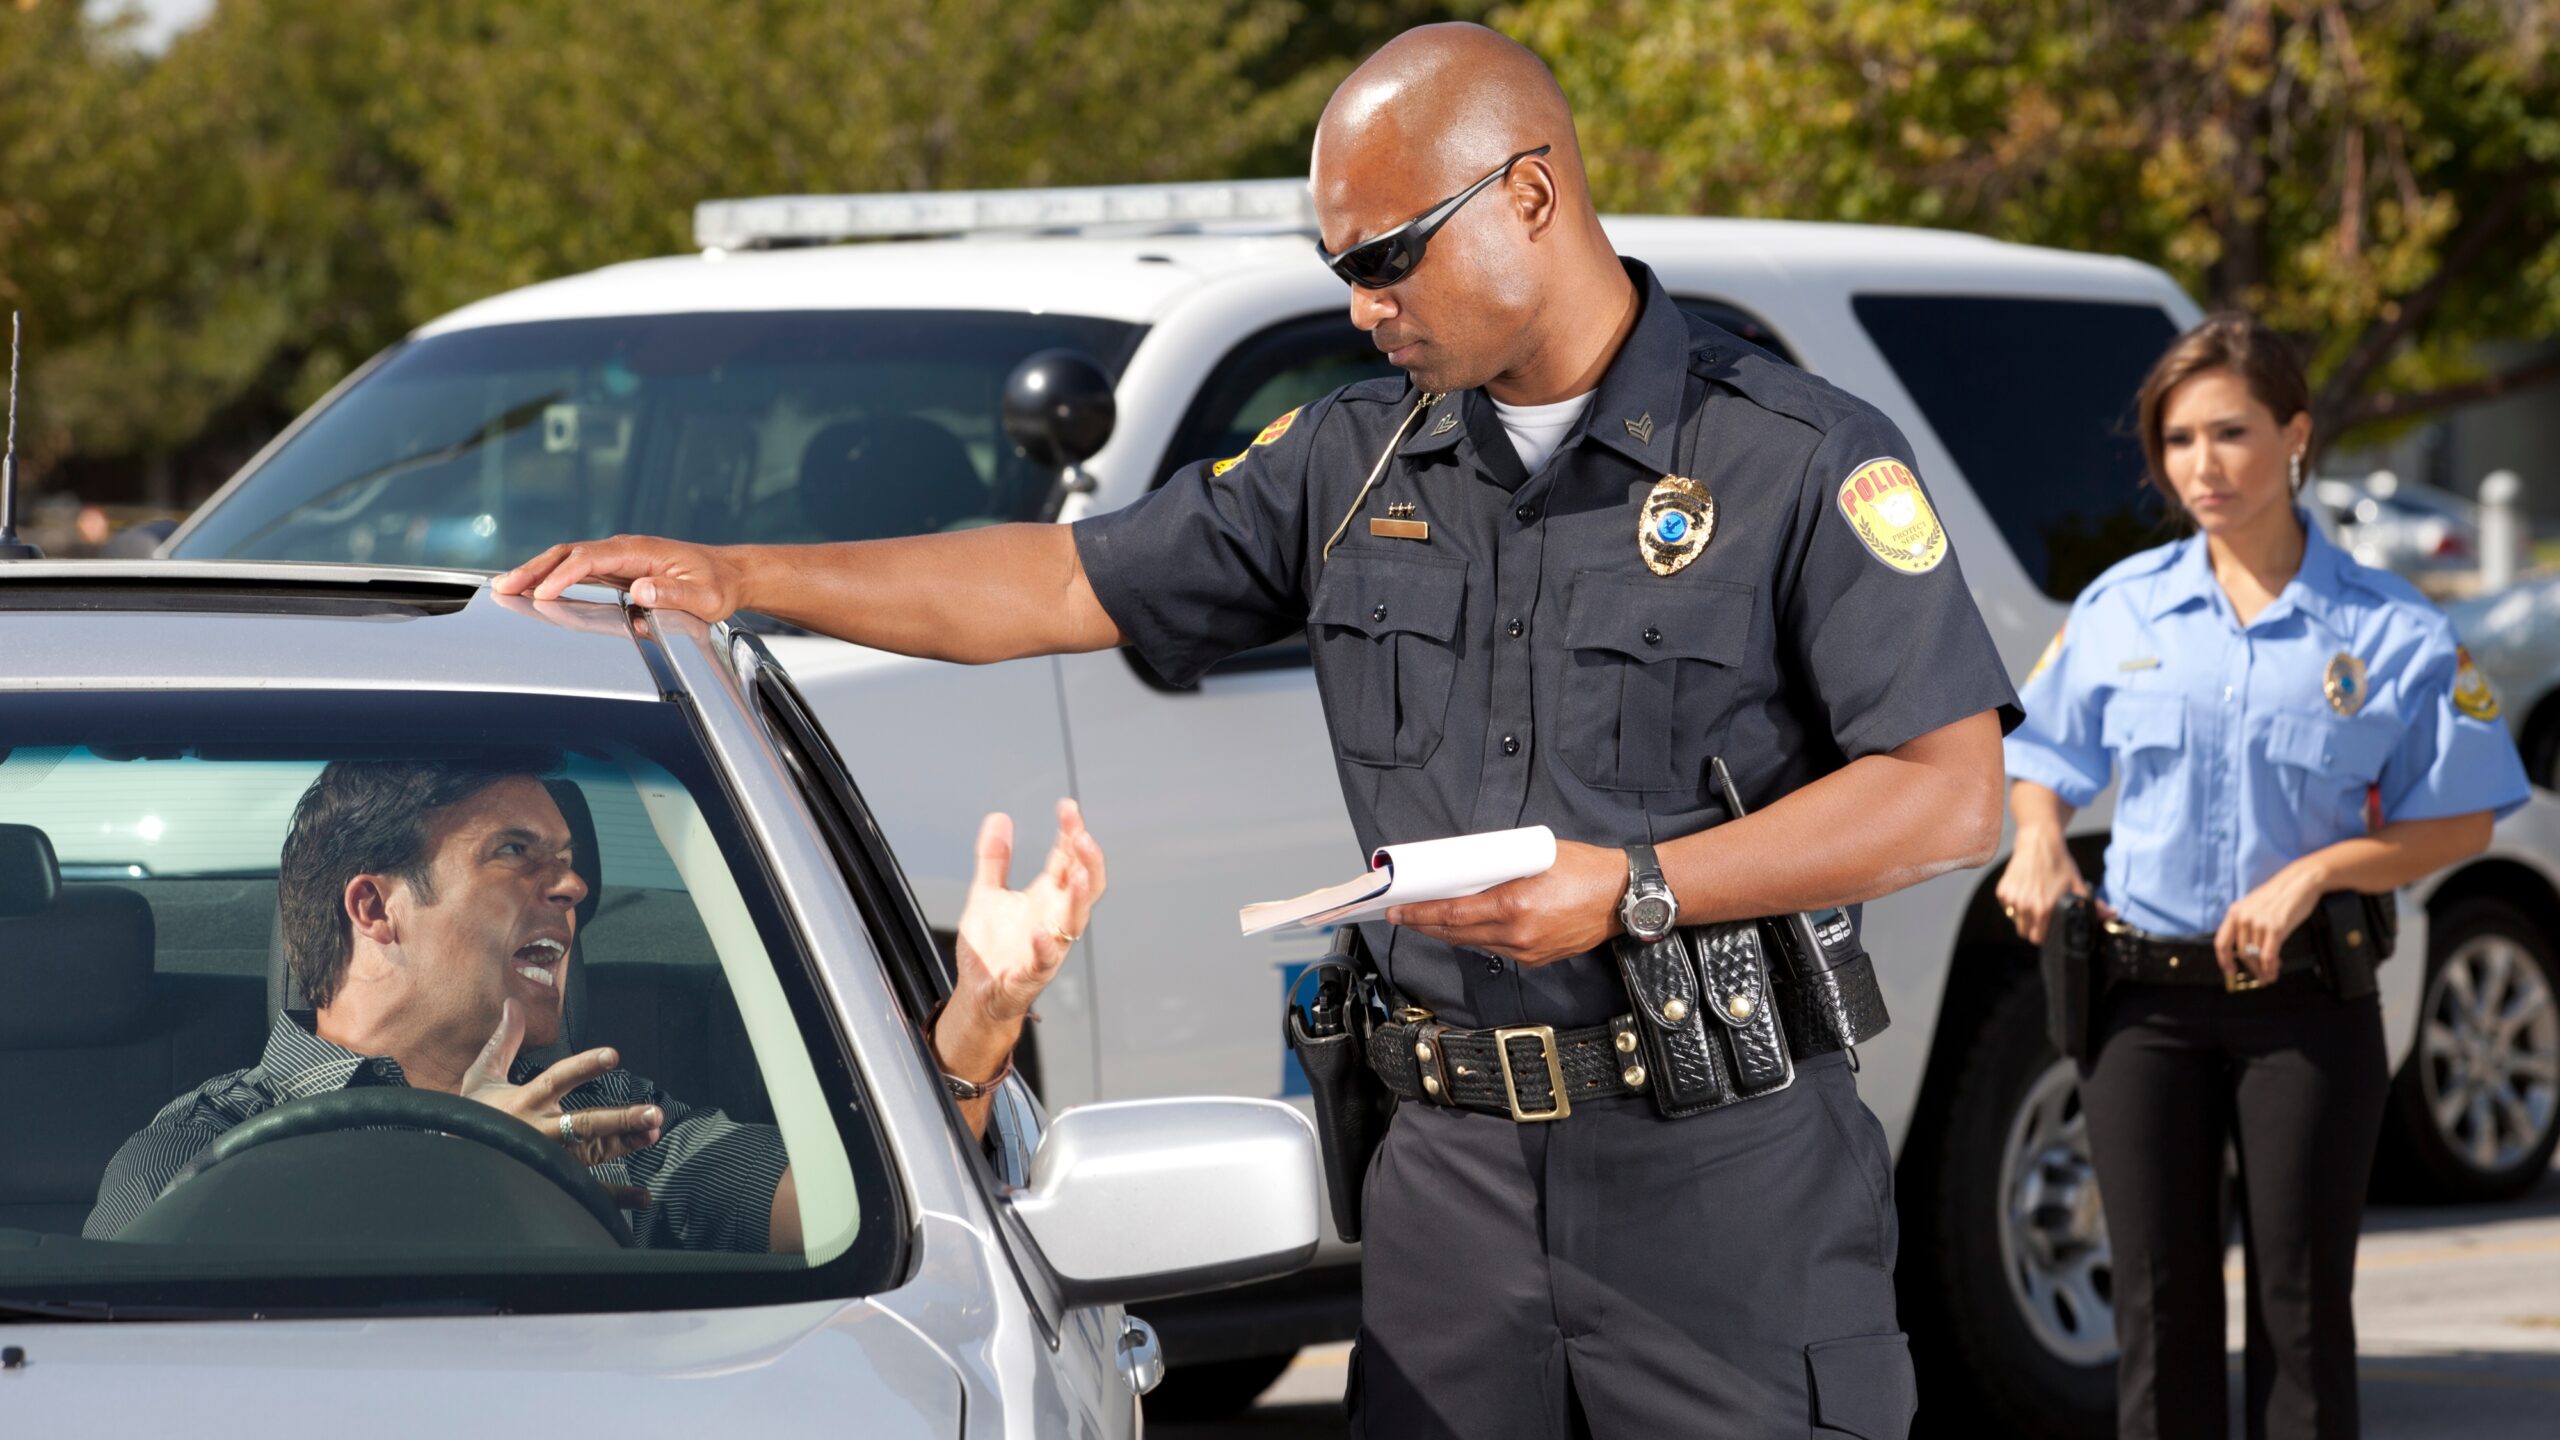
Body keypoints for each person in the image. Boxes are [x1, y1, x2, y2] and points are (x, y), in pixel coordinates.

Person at [496, 23, 2016, 1436]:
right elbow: (1054, 582)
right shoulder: (1354, 461)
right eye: (1340, 264)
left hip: (1721, 1188)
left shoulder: (1796, 458)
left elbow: (1950, 797)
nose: (1363, 306)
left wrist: (1636, 887)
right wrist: (741, 577)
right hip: (1447, 1197)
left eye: (1390, 259)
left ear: (1533, 194)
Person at [1996, 313, 2527, 1439]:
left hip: (2305, 1011)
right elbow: (2039, 757)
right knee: (2156, 1310)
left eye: (2228, 433)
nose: (2200, 465)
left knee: (2297, 1313)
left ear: (2294, 435)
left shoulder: (2388, 628)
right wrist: (2037, 836)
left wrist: (2319, 873)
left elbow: (2465, 814)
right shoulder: (2121, 608)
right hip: (2138, 1007)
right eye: (2177, 439)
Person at [86, 752, 1103, 1252]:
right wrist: (460, 1161)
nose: (571, 890)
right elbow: (141, 1361)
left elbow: (863, 1210)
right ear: (375, 907)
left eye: (570, 867)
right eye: (516, 856)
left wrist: (980, 1011)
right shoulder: (194, 1150)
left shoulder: (613, 1122)